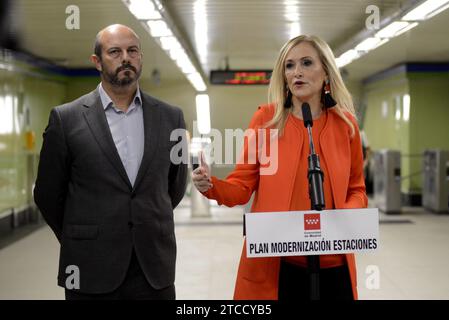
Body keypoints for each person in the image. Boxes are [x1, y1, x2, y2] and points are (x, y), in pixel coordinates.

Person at [192, 35, 367, 300]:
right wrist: (211, 185)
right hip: (278, 267)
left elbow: (357, 189)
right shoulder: (265, 121)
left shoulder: (347, 125)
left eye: (307, 63)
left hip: (334, 264)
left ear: (326, 71)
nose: (297, 72)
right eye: (289, 65)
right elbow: (241, 187)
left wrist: (345, 217)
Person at [34, 24, 187, 300]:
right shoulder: (66, 120)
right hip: (90, 267)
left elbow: (173, 188)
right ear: (97, 61)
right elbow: (47, 194)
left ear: (141, 57)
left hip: (153, 267)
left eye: (132, 50)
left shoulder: (170, 118)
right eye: (114, 51)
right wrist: (82, 235)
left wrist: (143, 218)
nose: (125, 58)